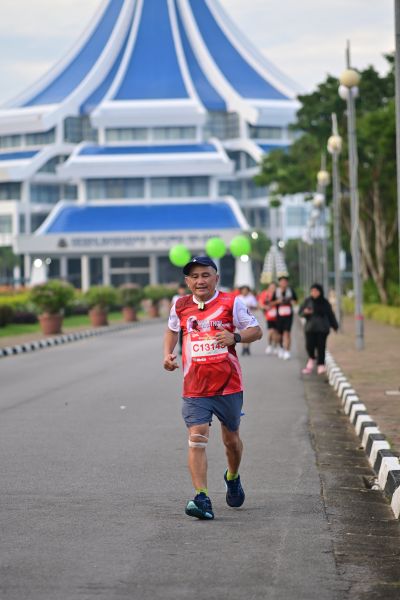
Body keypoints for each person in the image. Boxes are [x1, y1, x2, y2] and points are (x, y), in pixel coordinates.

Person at [163, 256, 263, 520]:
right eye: (194, 276)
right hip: (194, 387)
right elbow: (172, 330)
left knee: (231, 441)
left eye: (205, 275)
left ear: (216, 278)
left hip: (228, 385)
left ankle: (233, 476)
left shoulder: (232, 302)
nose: (200, 281)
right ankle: (202, 497)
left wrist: (235, 337)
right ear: (187, 281)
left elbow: (256, 330)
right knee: (197, 437)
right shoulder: (180, 305)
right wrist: (167, 354)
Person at [299, 283, 338, 375]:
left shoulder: (325, 302)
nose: (314, 293)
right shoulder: (308, 301)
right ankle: (311, 358)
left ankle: (321, 364)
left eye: (316, 291)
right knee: (309, 346)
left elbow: (330, 315)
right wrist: (305, 312)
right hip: (310, 328)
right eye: (312, 291)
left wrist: (335, 326)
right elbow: (300, 312)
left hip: (322, 328)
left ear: (320, 292)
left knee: (321, 347)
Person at [271, 276, 297, 360]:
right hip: (279, 315)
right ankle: (281, 347)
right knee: (279, 334)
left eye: (285, 282)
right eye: (282, 282)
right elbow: (271, 303)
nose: (283, 283)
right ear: (279, 283)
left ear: (287, 283)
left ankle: (287, 351)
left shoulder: (291, 291)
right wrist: (278, 301)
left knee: (287, 333)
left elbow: (295, 301)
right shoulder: (276, 291)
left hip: (288, 316)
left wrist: (291, 301)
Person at [257, 282, 278, 354]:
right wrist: (265, 307)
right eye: (271, 287)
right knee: (271, 331)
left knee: (276, 332)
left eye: (274, 287)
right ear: (268, 287)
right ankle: (269, 345)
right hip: (269, 316)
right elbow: (260, 303)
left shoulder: (278, 294)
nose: (272, 288)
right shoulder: (265, 294)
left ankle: (275, 346)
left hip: (278, 316)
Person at [237, 285, 258, 356]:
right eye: (243, 290)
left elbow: (255, 306)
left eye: (246, 290)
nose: (244, 291)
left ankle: (248, 348)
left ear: (248, 291)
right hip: (241, 318)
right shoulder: (238, 298)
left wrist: (251, 306)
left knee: (249, 334)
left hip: (249, 318)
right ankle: (243, 348)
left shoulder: (251, 297)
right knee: (242, 333)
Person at [171, 283, 187, 355]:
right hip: (178, 318)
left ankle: (186, 347)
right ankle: (181, 348)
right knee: (179, 334)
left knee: (184, 333)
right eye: (180, 289)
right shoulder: (175, 298)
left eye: (183, 289)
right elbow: (172, 306)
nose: (182, 291)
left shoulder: (188, 297)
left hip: (185, 318)